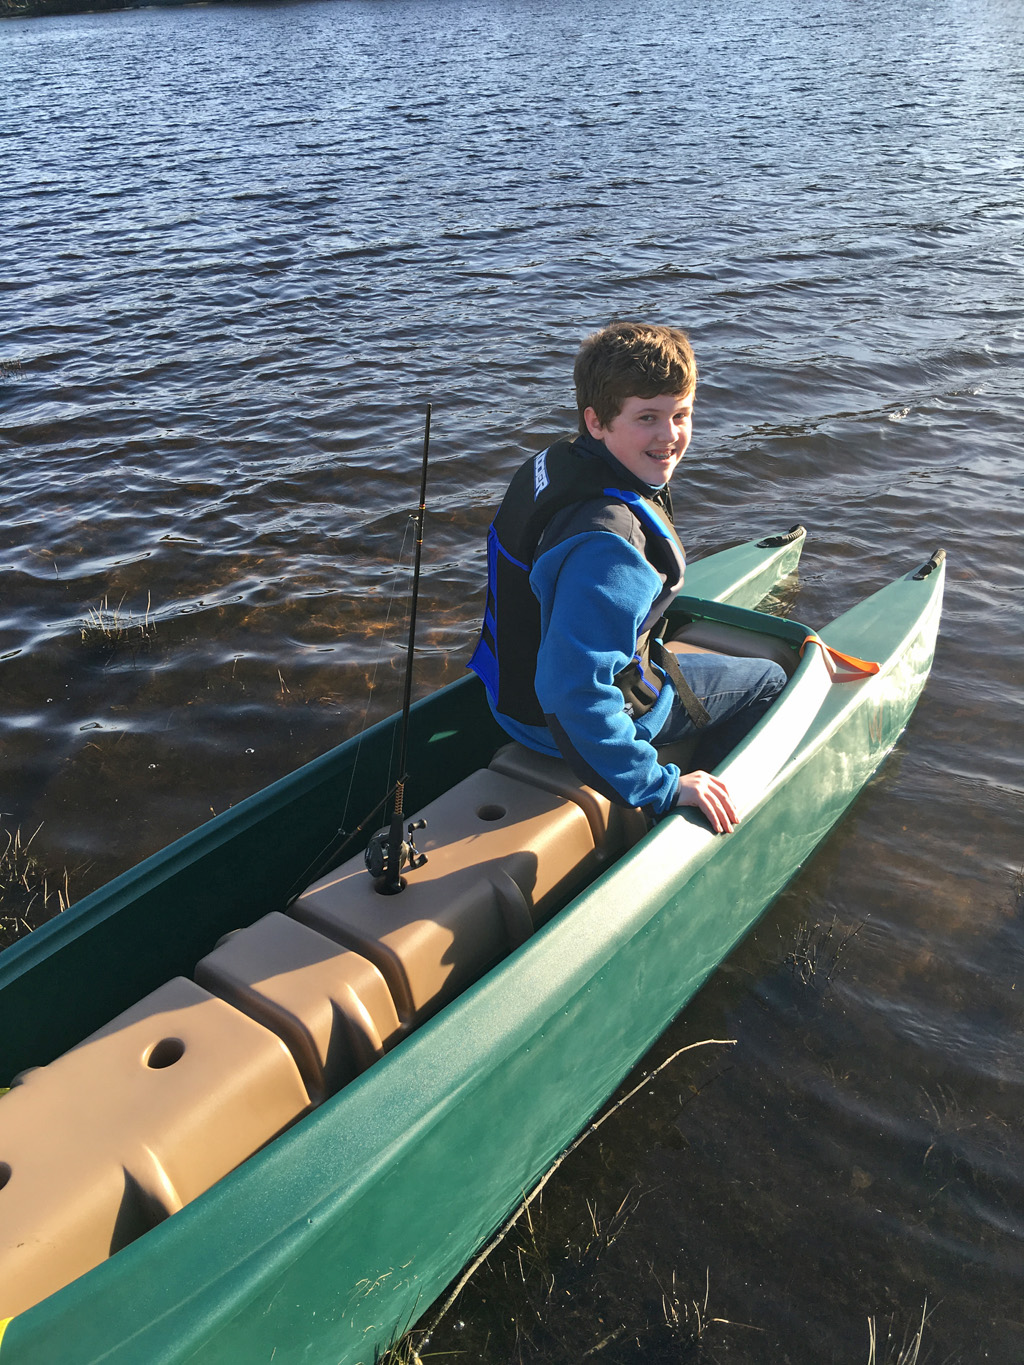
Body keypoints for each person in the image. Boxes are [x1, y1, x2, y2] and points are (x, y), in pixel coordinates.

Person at [468, 321, 786, 835]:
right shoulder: (614, 548)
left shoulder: (550, 466)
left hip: (505, 701)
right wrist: (661, 787)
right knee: (768, 682)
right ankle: (714, 808)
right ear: (597, 421)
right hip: (553, 729)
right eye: (647, 418)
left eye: (681, 415)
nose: (670, 436)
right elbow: (571, 691)